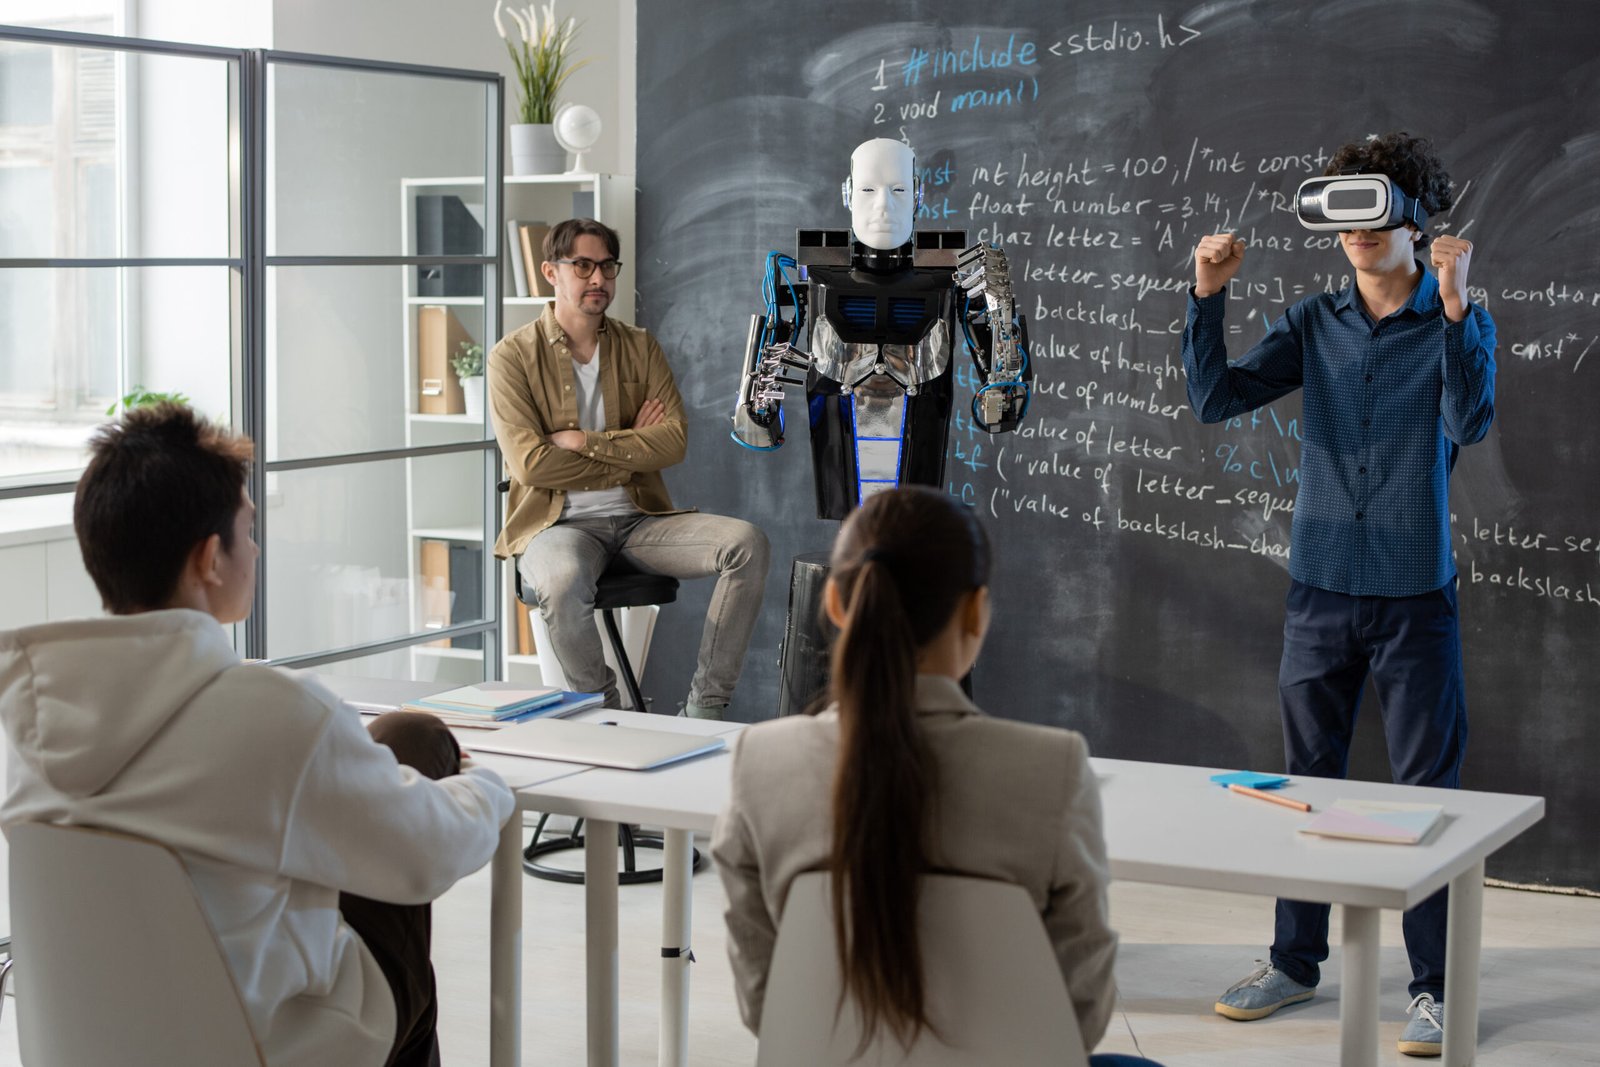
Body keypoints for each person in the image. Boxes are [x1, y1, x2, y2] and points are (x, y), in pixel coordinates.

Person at [0, 403, 515, 1067]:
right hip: (263, 1043)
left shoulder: (23, 720)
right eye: (249, 528)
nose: (258, 547)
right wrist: (488, 788)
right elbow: (427, 853)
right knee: (412, 752)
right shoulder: (272, 713)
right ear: (210, 558)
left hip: (92, 1044)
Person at [1182, 132, 1496, 1057]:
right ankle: (1293, 960)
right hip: (1318, 586)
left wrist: (1453, 308)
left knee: (1425, 789)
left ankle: (1435, 987)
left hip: (1413, 595)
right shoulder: (1313, 322)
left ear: (1412, 217)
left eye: (1376, 206)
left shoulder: (1457, 316)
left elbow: (1470, 420)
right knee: (1304, 784)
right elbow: (1215, 397)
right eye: (1345, 209)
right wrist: (1208, 296)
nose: (1357, 229)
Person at [711, 486, 1157, 1065]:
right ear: (976, 610)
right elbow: (1080, 1018)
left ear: (839, 605)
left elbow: (765, 1010)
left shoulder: (759, 763)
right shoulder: (1053, 769)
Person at [491, 217, 769, 720]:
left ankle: (704, 709)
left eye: (607, 267)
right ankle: (608, 718)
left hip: (641, 521)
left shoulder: (640, 347)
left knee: (745, 545)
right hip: (558, 527)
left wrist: (583, 442)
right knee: (559, 580)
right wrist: (627, 450)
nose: (598, 279)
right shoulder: (511, 358)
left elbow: (673, 443)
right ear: (551, 272)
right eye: (583, 266)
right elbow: (532, 465)